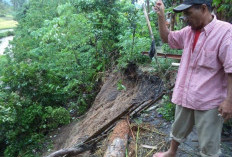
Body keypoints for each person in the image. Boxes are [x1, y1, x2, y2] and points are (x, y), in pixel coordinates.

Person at [152, 0, 232, 156]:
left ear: (203, 9)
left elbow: (231, 69)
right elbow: (166, 38)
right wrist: (161, 16)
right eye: (184, 15)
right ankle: (171, 152)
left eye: (188, 13)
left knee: (209, 144)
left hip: (209, 100)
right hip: (186, 93)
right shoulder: (188, 31)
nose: (185, 18)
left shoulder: (225, 32)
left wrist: (229, 101)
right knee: (178, 128)